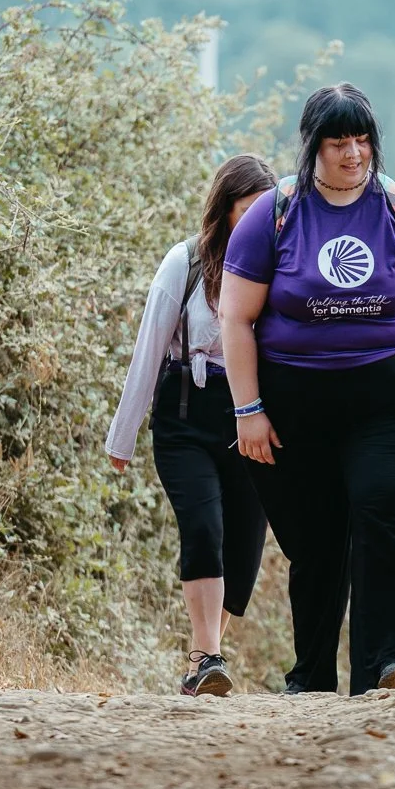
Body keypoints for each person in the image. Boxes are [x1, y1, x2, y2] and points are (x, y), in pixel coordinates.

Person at [220, 84, 395, 695]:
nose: (353, 153)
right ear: (313, 146)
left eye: (362, 140)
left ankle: (389, 664)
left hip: (385, 396)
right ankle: (310, 676)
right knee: (316, 541)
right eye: (339, 142)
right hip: (290, 403)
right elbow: (235, 317)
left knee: (380, 513)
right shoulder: (273, 213)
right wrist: (247, 410)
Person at [105, 154, 279, 697]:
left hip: (252, 414)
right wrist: (123, 435)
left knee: (246, 552)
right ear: (225, 208)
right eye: (247, 209)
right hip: (186, 415)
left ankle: (205, 658)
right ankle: (207, 654)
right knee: (204, 527)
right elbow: (148, 351)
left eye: (265, 210)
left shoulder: (282, 262)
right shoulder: (183, 263)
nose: (257, 220)